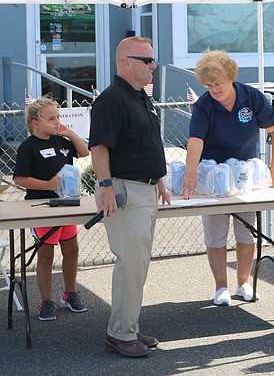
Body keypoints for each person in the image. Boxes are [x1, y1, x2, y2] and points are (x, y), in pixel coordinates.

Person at [181, 51, 274, 306]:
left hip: (245, 178)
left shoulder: (252, 97)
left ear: (230, 77)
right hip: (213, 179)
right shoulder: (204, 105)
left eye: (218, 83)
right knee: (216, 236)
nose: (214, 89)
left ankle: (243, 283)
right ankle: (221, 286)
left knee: (246, 234)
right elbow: (195, 141)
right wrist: (190, 175)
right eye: (208, 85)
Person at [89, 36, 171, 358]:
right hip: (125, 191)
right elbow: (99, 147)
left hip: (145, 189)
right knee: (130, 265)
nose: (154, 66)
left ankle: (129, 327)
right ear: (126, 62)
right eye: (148, 61)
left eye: (153, 60)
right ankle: (120, 334)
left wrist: (159, 181)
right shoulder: (112, 100)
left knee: (138, 265)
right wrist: (106, 185)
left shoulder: (139, 97)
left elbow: (144, 143)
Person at [13, 97, 90, 322]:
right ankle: (46, 300)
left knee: (72, 250)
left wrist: (70, 133)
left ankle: (70, 293)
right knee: (46, 254)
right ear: (36, 123)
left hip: (66, 206)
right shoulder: (28, 147)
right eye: (51, 118)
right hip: (42, 207)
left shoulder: (61, 141)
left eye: (58, 116)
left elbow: (84, 152)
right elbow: (20, 178)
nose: (57, 121)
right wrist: (47, 185)